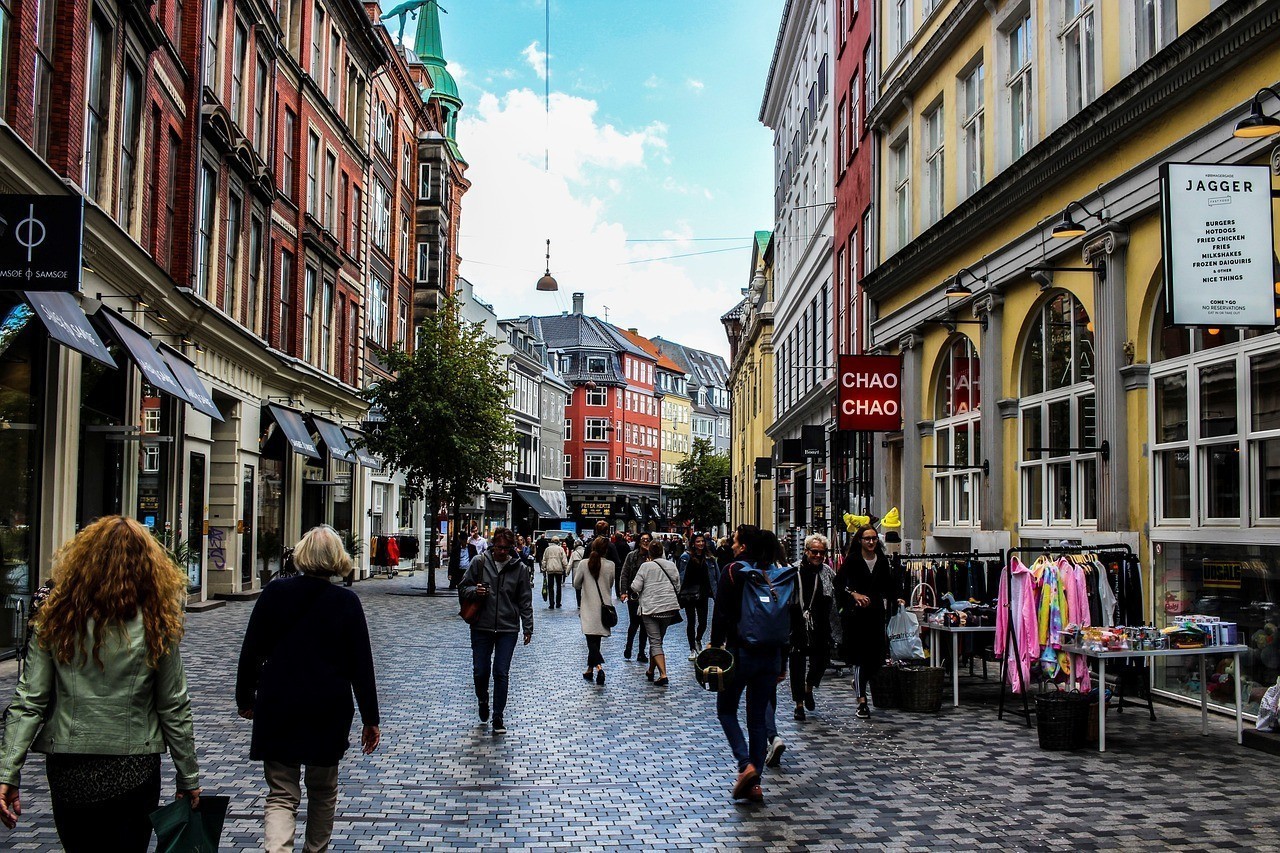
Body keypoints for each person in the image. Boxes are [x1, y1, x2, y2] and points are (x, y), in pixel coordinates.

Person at [0, 516, 200, 851]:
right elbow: (174, 705)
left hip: (69, 766)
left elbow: (29, 700)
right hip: (135, 764)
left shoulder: (56, 618)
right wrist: (188, 776)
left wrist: (8, 771)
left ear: (83, 560)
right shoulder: (156, 621)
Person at [236, 525, 380, 853]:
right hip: (327, 707)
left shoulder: (274, 593)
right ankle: (315, 850)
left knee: (281, 794)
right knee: (323, 790)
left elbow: (251, 650)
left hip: (279, 703)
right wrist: (371, 718)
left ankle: (277, 849)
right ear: (336, 559)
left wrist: (245, 698)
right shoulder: (346, 602)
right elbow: (362, 665)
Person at [710, 525, 796, 803]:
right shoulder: (775, 575)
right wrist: (782, 661)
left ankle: (744, 764)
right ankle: (755, 782)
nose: (732, 545)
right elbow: (788, 619)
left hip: (740, 653)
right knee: (758, 719)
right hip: (770, 654)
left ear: (744, 546)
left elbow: (721, 615)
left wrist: (713, 648)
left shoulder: (733, 571)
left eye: (735, 541)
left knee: (726, 710)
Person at [459, 528, 533, 735]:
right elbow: (463, 587)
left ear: (512, 548)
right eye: (499, 548)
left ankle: (498, 716)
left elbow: (525, 599)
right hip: (482, 625)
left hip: (508, 628)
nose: (502, 552)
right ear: (493, 546)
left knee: (501, 672)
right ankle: (483, 698)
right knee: (480, 670)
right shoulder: (479, 563)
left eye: (506, 548)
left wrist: (528, 626)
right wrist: (475, 590)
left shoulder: (520, 569)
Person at [836, 524, 894, 719]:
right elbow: (839, 584)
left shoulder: (883, 561)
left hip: (876, 614)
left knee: (877, 658)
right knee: (860, 658)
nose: (871, 542)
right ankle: (862, 701)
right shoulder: (852, 560)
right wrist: (854, 594)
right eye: (867, 538)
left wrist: (898, 598)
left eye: (874, 538)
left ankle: (859, 682)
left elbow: (889, 586)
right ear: (860, 540)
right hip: (856, 616)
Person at [790, 534, 836, 721]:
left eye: (821, 552)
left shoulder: (827, 572)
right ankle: (799, 704)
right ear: (806, 551)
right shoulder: (793, 570)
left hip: (820, 624)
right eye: (814, 552)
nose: (818, 556)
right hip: (797, 624)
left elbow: (837, 593)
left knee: (822, 660)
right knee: (797, 664)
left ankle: (809, 687)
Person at [630, 540, 682, 685]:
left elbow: (635, 586)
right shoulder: (671, 565)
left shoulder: (645, 566)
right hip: (668, 608)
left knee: (655, 641)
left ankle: (663, 674)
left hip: (650, 608)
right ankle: (651, 670)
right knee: (658, 641)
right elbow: (678, 586)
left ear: (650, 552)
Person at [573, 537, 616, 685]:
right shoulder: (611, 565)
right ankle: (589, 669)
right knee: (595, 639)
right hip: (604, 607)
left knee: (591, 639)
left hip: (588, 606)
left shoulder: (584, 564)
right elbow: (610, 584)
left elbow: (576, 584)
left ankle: (599, 668)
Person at [677, 533, 718, 659]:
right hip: (689, 594)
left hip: (703, 593)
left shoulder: (710, 558)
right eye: (698, 541)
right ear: (693, 543)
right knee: (691, 622)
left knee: (703, 622)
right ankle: (692, 648)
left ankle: (698, 639)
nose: (700, 544)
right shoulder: (685, 557)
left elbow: (716, 576)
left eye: (702, 541)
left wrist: (718, 594)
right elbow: (680, 576)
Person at [618, 531, 653, 662]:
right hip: (634, 594)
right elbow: (625, 574)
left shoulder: (653, 557)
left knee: (645, 624)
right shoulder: (632, 556)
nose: (645, 541)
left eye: (648, 539)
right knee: (634, 622)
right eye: (643, 539)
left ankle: (641, 652)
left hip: (648, 595)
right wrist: (623, 591)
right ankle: (629, 647)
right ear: (639, 541)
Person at [541, 536, 569, 609]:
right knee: (558, 586)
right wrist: (566, 568)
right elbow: (564, 560)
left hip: (550, 569)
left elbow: (544, 560)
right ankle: (558, 603)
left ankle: (551, 603)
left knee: (550, 587)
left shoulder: (547, 549)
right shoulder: (561, 549)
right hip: (559, 569)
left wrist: (543, 568)